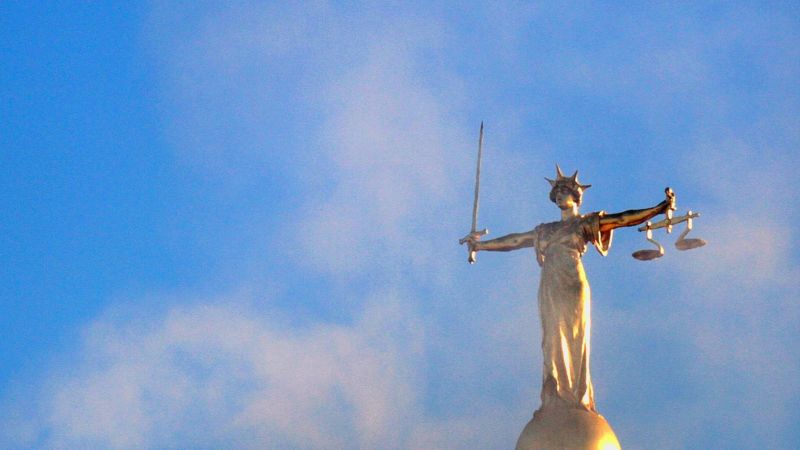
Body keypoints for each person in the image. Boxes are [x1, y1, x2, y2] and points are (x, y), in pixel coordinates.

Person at [462, 165, 675, 412]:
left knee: (576, 336)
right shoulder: (546, 230)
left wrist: (659, 208)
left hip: (573, 282)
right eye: (557, 193)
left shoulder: (584, 223)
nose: (559, 196)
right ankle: (555, 394)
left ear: (576, 196)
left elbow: (623, 219)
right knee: (552, 338)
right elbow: (516, 240)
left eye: (564, 191)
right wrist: (480, 246)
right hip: (550, 283)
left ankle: (577, 395)